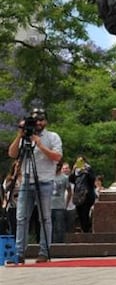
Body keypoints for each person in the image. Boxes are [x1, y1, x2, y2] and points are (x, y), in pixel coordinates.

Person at [6, 108, 63, 264]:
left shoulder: (52, 137)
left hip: (45, 181)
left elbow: (57, 157)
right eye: (35, 120)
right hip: (26, 180)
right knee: (21, 218)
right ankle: (19, 253)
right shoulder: (25, 138)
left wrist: (40, 144)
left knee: (45, 218)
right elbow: (11, 154)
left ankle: (44, 251)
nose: (38, 123)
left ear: (46, 121)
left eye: (41, 120)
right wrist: (20, 134)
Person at [69, 156, 97, 234]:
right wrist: (73, 170)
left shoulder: (88, 169)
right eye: (78, 162)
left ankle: (86, 230)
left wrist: (86, 171)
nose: (79, 164)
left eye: (81, 161)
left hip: (87, 195)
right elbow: (71, 180)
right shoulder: (76, 172)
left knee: (85, 213)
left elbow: (92, 180)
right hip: (78, 195)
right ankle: (84, 228)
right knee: (80, 213)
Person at [51, 161, 70, 243]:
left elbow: (69, 191)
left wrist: (66, 204)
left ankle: (59, 244)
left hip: (60, 206)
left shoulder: (65, 178)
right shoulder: (49, 177)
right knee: (49, 227)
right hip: (49, 206)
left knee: (59, 227)